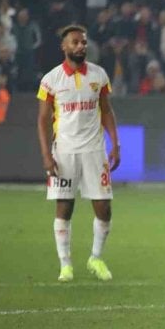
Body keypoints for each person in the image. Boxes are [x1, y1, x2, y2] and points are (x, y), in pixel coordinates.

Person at [36, 25, 121, 283]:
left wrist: (115, 143)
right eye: (75, 42)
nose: (81, 46)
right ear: (64, 47)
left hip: (94, 150)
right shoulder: (50, 80)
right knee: (65, 207)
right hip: (64, 151)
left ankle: (95, 257)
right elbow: (42, 120)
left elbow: (106, 110)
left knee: (104, 207)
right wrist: (46, 156)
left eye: (83, 42)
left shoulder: (99, 75)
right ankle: (65, 265)